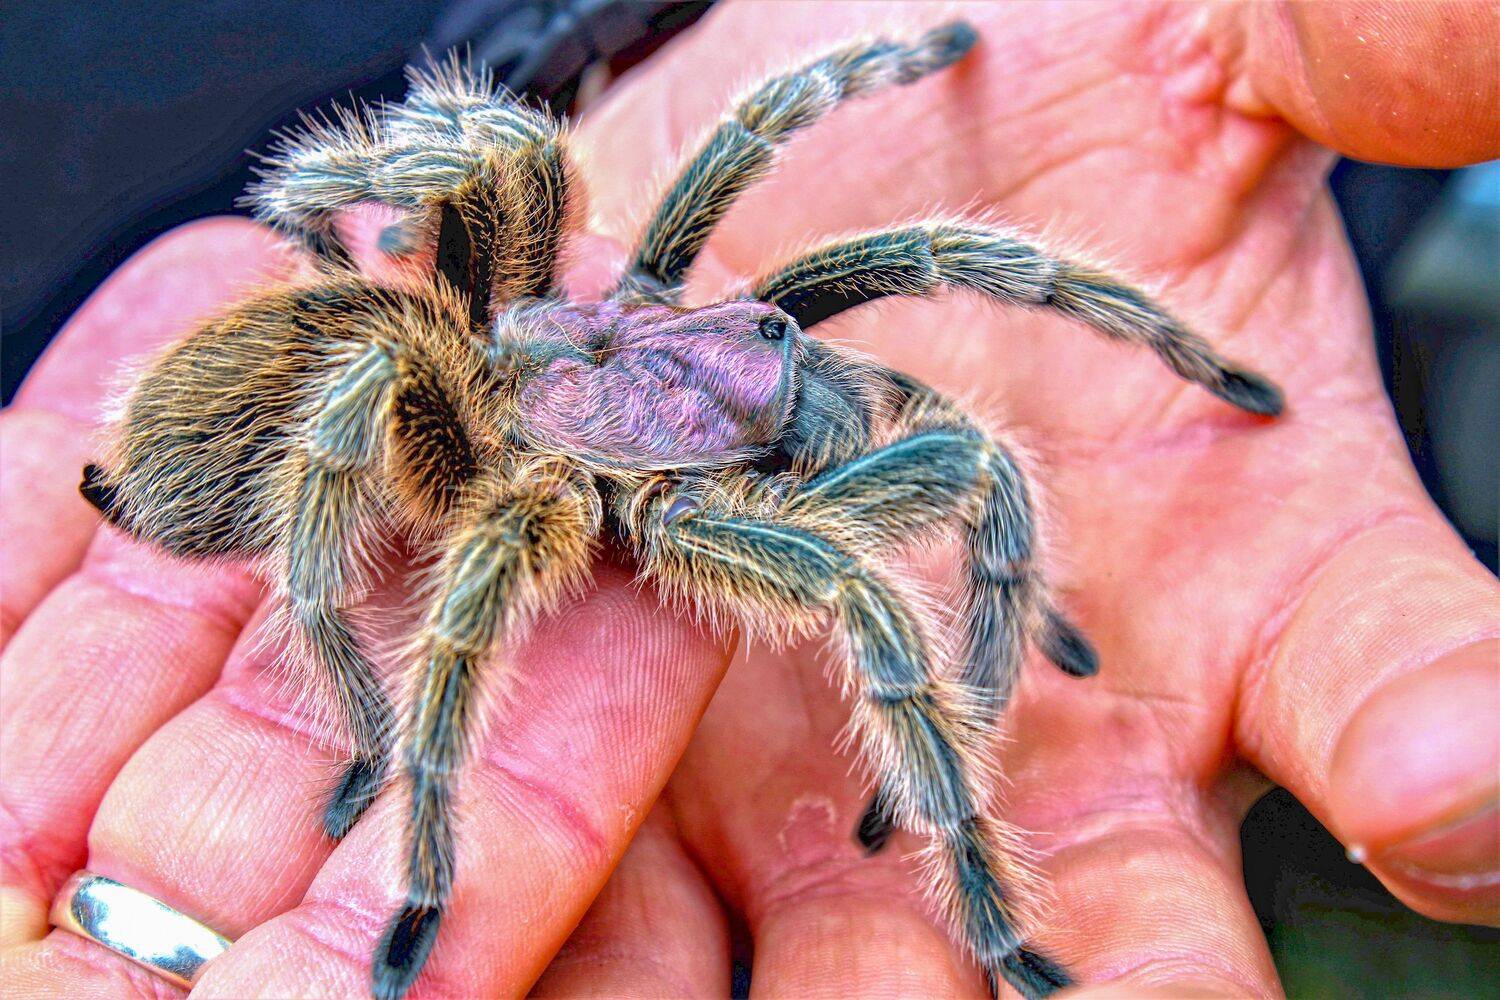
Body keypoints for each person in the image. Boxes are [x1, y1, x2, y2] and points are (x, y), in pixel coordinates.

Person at [2, 2, 1495, 995]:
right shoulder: (514, 482)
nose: (785, 343)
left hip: (355, 312)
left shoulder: (666, 314)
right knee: (847, 582)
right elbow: (505, 167)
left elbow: (786, 139)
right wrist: (388, 751)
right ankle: (975, 900)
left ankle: (993, 736)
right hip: (279, 415)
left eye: (776, 335)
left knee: (962, 422)